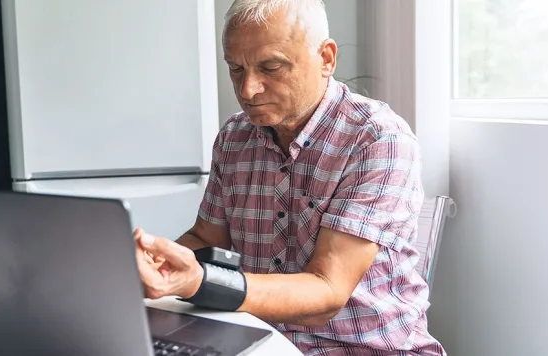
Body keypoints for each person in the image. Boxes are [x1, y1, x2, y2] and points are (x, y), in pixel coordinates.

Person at [133, 0, 446, 355]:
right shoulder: (235, 136)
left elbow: (327, 292)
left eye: (271, 67)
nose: (248, 90)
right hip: (261, 341)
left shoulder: (377, 139)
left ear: (326, 58)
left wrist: (200, 282)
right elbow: (207, 236)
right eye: (236, 69)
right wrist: (153, 264)